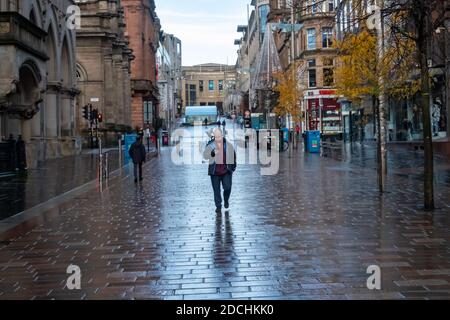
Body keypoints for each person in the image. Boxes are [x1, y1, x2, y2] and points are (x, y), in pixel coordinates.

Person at [203, 127, 236, 213]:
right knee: (216, 190)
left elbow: (233, 156)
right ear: (214, 136)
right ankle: (218, 206)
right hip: (214, 172)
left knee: (227, 188)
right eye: (216, 137)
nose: (218, 139)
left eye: (219, 136)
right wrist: (213, 153)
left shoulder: (228, 145)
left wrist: (233, 167)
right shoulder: (210, 145)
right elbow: (205, 156)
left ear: (222, 135)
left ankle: (226, 200)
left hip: (226, 171)